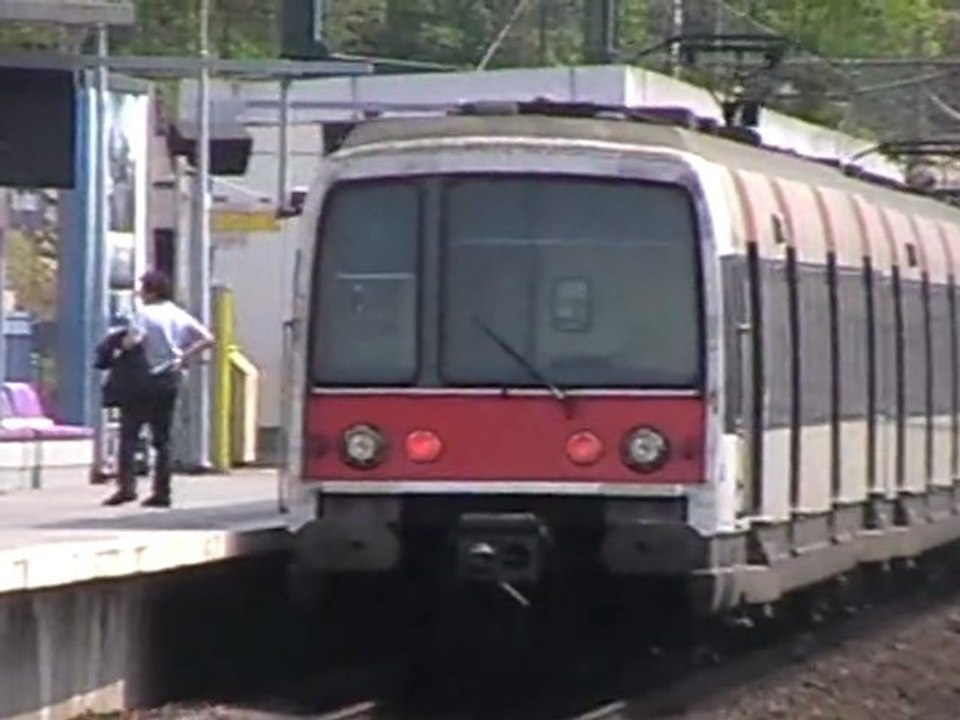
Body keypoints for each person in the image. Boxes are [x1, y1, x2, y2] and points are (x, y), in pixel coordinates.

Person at [102, 271, 214, 508]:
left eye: (142, 288)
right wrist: (183, 355)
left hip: (142, 379)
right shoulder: (177, 313)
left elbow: (134, 339)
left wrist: (119, 345)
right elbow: (207, 338)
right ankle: (162, 492)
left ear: (152, 291)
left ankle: (127, 487)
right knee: (162, 438)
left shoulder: (144, 314)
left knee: (129, 434)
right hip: (169, 378)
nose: (140, 293)